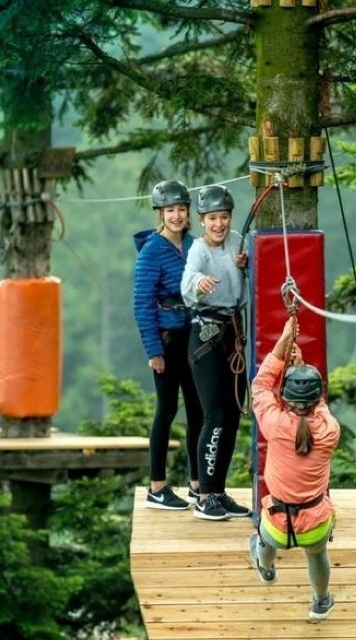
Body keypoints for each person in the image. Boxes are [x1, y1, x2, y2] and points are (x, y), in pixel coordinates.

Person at [248, 317, 341, 622]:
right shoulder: (330, 430)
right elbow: (319, 409)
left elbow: (261, 385)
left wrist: (283, 343)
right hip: (314, 523)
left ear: (285, 398)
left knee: (262, 539)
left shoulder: (275, 424)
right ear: (317, 398)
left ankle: (267, 569)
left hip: (277, 523)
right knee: (317, 554)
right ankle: (321, 601)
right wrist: (300, 370)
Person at [180, 184, 251, 521]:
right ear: (202, 220)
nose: (218, 224)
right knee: (215, 415)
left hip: (232, 335)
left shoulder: (238, 241)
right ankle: (204, 494)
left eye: (223, 217)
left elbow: (246, 270)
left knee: (233, 414)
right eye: (212, 219)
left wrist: (245, 263)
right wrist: (200, 283)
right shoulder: (198, 249)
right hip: (207, 334)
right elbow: (188, 280)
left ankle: (218, 492)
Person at [133, 179, 203, 510]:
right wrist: (153, 352)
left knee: (197, 409)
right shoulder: (152, 250)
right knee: (167, 410)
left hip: (194, 338)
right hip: (167, 339)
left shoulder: (193, 245)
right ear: (160, 214)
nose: (176, 216)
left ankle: (197, 483)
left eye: (181, 209)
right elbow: (142, 304)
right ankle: (157, 486)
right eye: (170, 210)